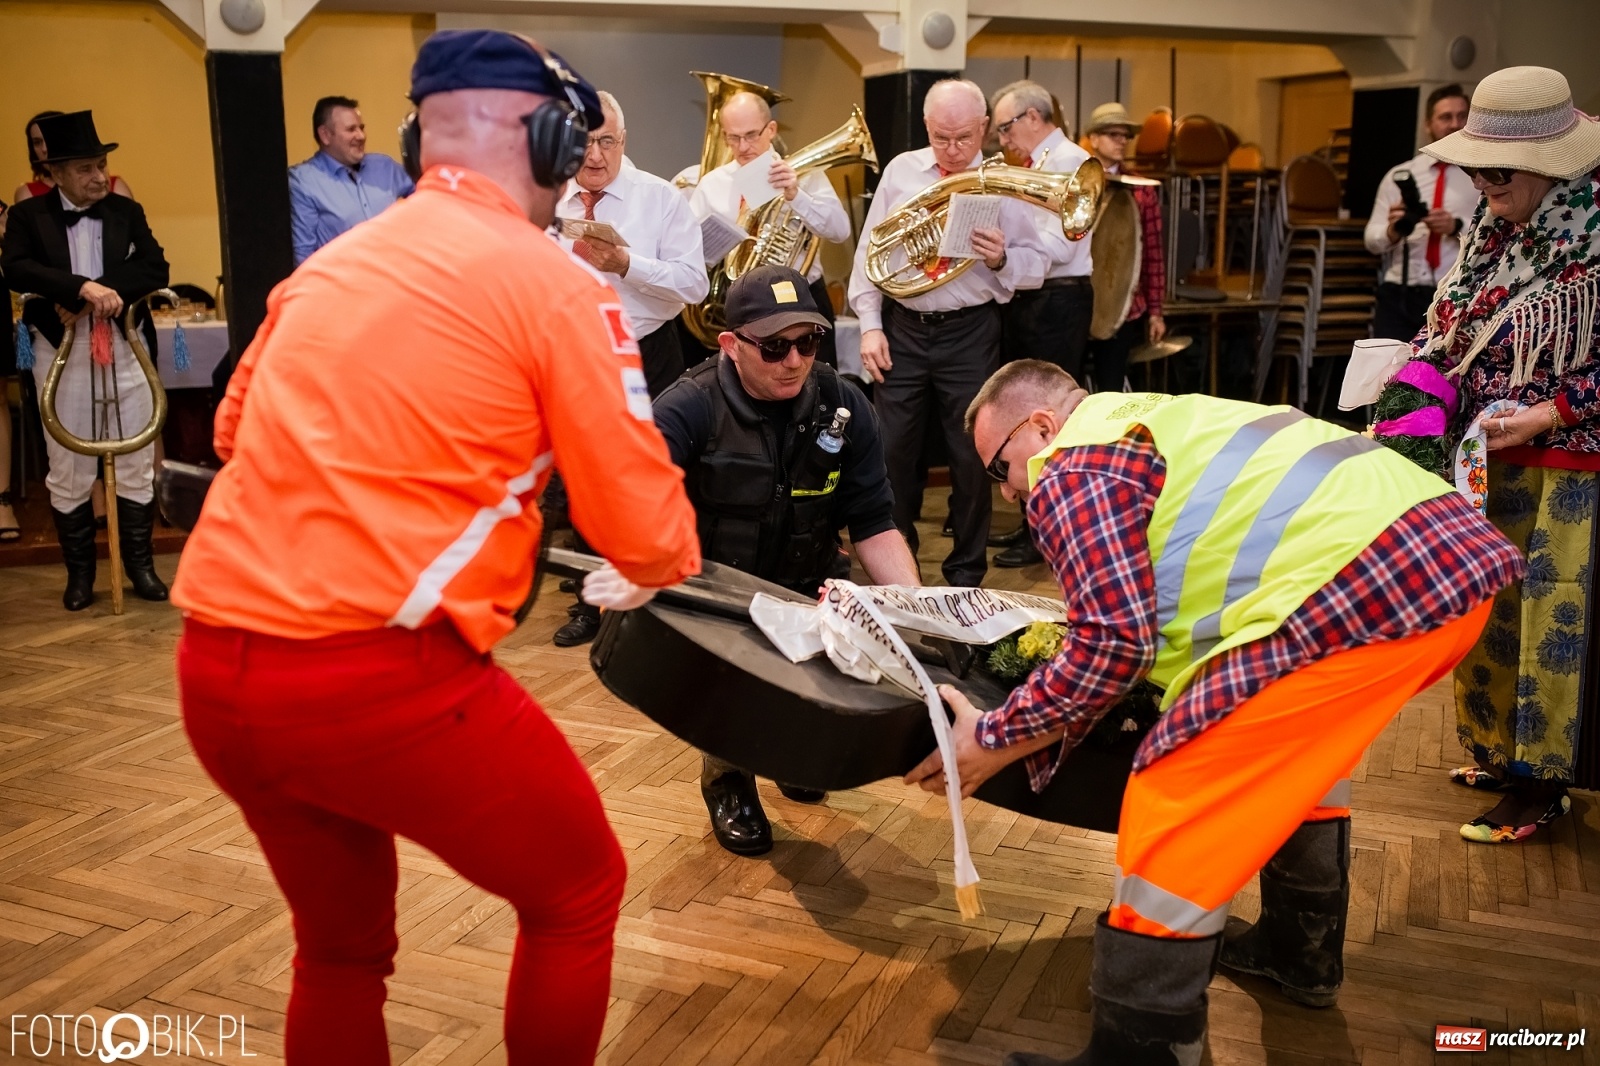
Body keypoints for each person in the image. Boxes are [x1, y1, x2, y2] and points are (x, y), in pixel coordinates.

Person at [169, 30, 700, 1064]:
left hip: (214, 667)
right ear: (550, 141)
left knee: (337, 949)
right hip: (375, 680)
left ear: (417, 136)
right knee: (578, 891)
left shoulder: (327, 268)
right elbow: (648, 536)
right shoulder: (558, 289)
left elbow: (235, 433)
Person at [912, 362, 1521, 1064]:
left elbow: (1115, 643)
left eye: (1001, 467)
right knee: (1295, 758)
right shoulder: (1160, 416)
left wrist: (993, 738)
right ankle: (1301, 954)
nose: (1012, 490)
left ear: (1041, 427)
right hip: (1444, 563)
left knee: (1176, 784)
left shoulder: (1072, 462)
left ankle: (1142, 1049)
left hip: (1366, 578)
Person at [1372, 65, 1600, 845]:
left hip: (1569, 464)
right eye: (1475, 165)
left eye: (1495, 169)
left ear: (1549, 161)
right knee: (1486, 609)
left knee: (1546, 619)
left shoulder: (1595, 229)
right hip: (1484, 452)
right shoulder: (1495, 226)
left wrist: (1548, 412)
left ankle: (1540, 782)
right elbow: (1455, 320)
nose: (1480, 180)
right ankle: (1498, 752)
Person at [653, 264, 919, 855]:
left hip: (810, 579)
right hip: (720, 593)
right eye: (774, 347)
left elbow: (873, 522)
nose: (795, 360)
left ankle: (791, 750)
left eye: (808, 342)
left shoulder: (843, 404)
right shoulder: (685, 410)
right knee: (730, 692)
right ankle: (727, 777)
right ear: (731, 344)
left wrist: (917, 612)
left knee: (816, 691)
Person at [847, 78, 1048, 588]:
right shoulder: (900, 171)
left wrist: (1002, 257)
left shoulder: (1005, 180)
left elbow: (1038, 265)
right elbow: (870, 255)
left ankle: (965, 577)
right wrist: (870, 326)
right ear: (926, 128)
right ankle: (899, 570)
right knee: (890, 451)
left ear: (984, 127)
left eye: (964, 137)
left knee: (974, 456)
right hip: (904, 329)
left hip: (970, 331)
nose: (953, 150)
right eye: (941, 138)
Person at [549, 88, 708, 647]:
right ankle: (589, 602)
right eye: (586, 143)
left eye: (607, 142)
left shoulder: (659, 199)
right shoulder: (549, 199)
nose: (596, 157)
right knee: (580, 481)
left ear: (625, 141)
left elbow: (694, 283)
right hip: (575, 356)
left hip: (648, 352)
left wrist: (628, 264)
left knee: (651, 477)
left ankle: (656, 597)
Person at [2, 110, 170, 609]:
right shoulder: (31, 217)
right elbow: (15, 268)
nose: (99, 177)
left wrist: (97, 294)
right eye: (85, 169)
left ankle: (140, 567)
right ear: (53, 173)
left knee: (137, 459)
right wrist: (77, 287)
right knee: (69, 465)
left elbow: (156, 265)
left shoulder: (124, 211)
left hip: (125, 347)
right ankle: (80, 577)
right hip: (61, 352)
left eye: (101, 165)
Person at [986, 81, 1095, 570]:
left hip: (1059, 298)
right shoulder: (1030, 165)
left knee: (1047, 417)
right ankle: (1032, 517)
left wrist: (1010, 248)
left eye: (1005, 127)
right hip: (1031, 295)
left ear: (1034, 117)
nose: (1002, 139)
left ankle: (1047, 527)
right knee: (1024, 413)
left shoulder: (1069, 162)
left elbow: (1062, 247)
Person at [690, 91, 851, 368]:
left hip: (803, 300)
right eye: (733, 137)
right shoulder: (712, 183)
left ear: (771, 129)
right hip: (745, 303)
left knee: (816, 392)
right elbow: (688, 246)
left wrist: (796, 195)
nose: (742, 146)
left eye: (751, 135)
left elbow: (840, 230)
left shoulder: (805, 173)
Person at [1363, 84, 1474, 343]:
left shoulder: (1481, 177)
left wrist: (1455, 226)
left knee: (1442, 377)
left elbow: (1498, 235)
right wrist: (1392, 230)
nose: (1454, 124)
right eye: (1445, 117)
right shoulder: (1401, 175)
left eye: (1462, 116)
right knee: (1388, 373)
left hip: (1454, 291)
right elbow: (1371, 239)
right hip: (1399, 291)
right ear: (1428, 124)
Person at [1083, 101, 1167, 397]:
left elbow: (1154, 254)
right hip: (1078, 302)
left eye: (1125, 136)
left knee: (1110, 390)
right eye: (1112, 134)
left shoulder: (1141, 188)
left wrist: (1156, 311)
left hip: (1124, 305)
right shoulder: (1077, 182)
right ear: (1093, 138)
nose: (1121, 141)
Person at [288, 95, 415, 264]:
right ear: (325, 135)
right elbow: (302, 257)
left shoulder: (384, 166)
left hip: (398, 277)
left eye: (361, 128)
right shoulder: (303, 182)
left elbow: (427, 196)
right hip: (344, 286)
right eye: (351, 129)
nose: (361, 136)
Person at [14, 111, 134, 204]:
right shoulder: (27, 193)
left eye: (51, 140)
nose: (45, 149)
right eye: (37, 142)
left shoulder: (113, 185)